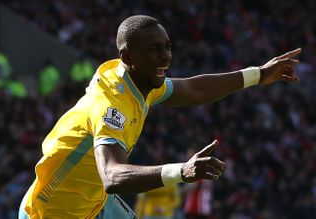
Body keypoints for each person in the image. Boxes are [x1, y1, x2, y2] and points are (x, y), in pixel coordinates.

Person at [18, 15, 301, 219]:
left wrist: (259, 74)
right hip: (53, 212)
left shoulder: (139, 82)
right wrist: (182, 171)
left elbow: (194, 89)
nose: (165, 58)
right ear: (127, 56)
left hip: (92, 203)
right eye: (153, 50)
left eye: (167, 47)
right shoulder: (110, 106)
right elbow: (113, 176)